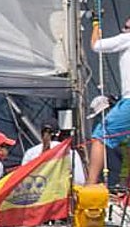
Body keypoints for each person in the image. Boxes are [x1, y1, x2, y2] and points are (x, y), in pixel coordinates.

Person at [86, 17, 130, 185]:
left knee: (100, 136)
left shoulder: (127, 38)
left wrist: (96, 26)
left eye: (127, 27)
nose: (123, 31)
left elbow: (96, 45)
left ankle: (90, 184)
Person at [20, 122, 85, 184]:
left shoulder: (30, 153)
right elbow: (79, 180)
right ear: (59, 133)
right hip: (61, 192)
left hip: (36, 192)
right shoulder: (69, 152)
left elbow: (22, 179)